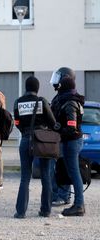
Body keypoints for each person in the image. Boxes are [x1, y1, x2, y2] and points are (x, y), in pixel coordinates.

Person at [13, 76, 56, 218]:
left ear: (26, 87)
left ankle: (20, 212)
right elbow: (52, 122)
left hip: (25, 140)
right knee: (46, 175)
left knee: (25, 177)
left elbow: (17, 122)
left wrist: (26, 132)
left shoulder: (18, 102)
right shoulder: (42, 101)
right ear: (37, 88)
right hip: (42, 140)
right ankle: (46, 210)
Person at [50, 67, 85, 216]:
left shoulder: (70, 102)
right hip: (68, 141)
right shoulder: (65, 98)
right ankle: (67, 198)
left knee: (74, 172)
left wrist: (58, 128)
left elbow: (72, 127)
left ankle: (79, 205)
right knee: (66, 170)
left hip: (71, 141)